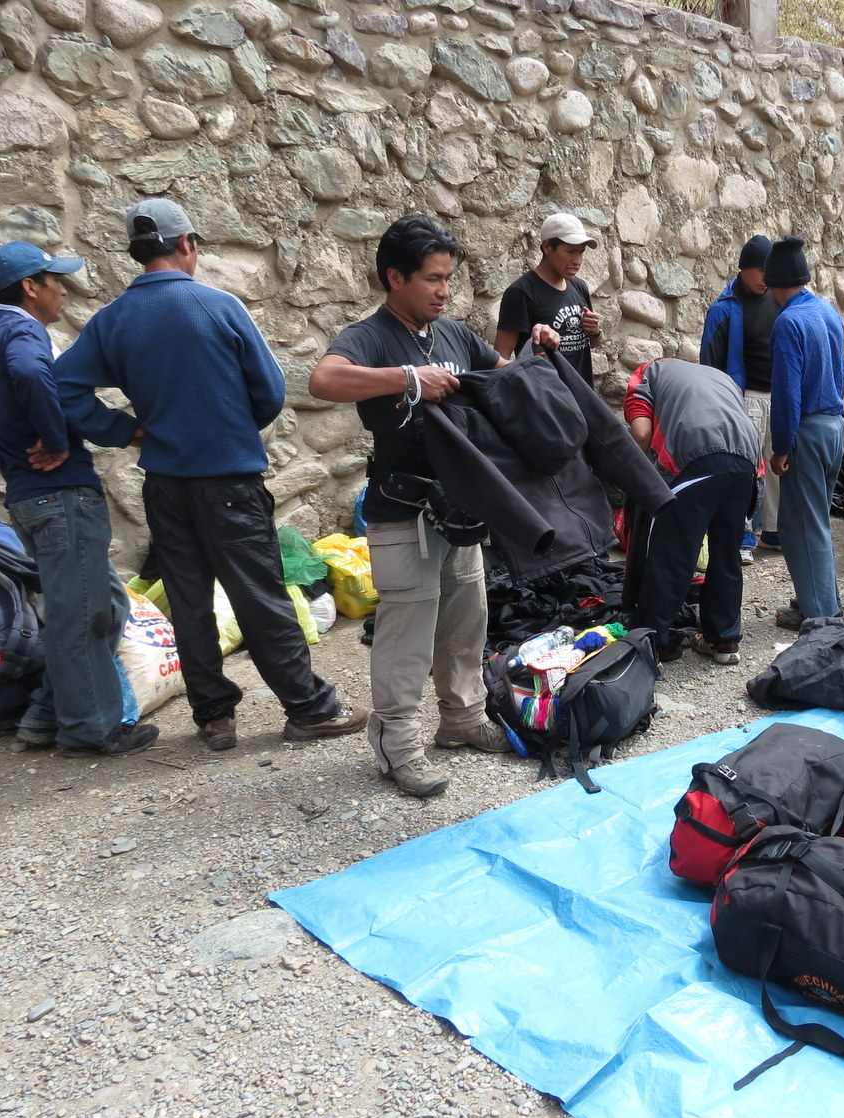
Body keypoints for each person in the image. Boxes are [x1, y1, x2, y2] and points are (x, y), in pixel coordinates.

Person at [55, 198, 366, 754]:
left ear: (136, 253)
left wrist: (125, 431)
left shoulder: (112, 320)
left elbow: (65, 388)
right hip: (228, 480)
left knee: (188, 599)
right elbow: (270, 392)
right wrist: (228, 430)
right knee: (260, 596)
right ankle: (309, 708)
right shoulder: (219, 306)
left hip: (164, 485)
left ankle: (214, 718)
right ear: (189, 245)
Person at [310, 215, 560, 798]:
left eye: (448, 277)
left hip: (461, 509)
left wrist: (534, 351)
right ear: (395, 277)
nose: (444, 290)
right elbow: (323, 381)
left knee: (465, 622)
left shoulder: (454, 335)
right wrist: (405, 378)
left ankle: (463, 719)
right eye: (432, 278)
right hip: (402, 513)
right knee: (407, 635)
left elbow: (505, 379)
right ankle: (397, 747)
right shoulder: (370, 337)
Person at [0, 242, 158, 757]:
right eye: (54, 281)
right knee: (81, 615)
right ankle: (93, 727)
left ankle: (47, 711)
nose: (62, 290)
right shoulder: (23, 330)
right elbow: (28, 371)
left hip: (32, 499)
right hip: (59, 494)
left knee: (106, 604)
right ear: (30, 287)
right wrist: (54, 436)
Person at [621, 358, 760, 665]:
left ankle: (650, 647)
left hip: (694, 458)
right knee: (727, 554)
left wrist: (630, 481)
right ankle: (723, 640)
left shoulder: (646, 374)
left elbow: (642, 435)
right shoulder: (719, 378)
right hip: (746, 462)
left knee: (671, 557)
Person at [764, 236, 844, 630]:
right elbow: (843, 373)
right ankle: (823, 600)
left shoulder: (788, 322)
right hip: (835, 425)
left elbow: (786, 393)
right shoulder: (827, 312)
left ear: (771, 280)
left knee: (799, 524)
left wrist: (782, 446)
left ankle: (821, 616)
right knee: (817, 520)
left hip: (808, 431)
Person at [700, 234, 777, 561]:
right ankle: (741, 536)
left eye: (768, 270)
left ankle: (773, 532)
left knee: (778, 467)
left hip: (779, 397)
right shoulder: (724, 309)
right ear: (743, 270)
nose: (764, 277)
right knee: (744, 469)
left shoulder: (780, 298)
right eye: (758, 270)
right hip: (743, 399)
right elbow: (709, 362)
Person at [494, 213, 602, 386]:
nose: (577, 260)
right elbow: (500, 359)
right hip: (547, 402)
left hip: (583, 397)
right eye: (570, 251)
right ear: (547, 247)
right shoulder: (521, 292)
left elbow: (592, 343)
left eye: (581, 252)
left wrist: (595, 331)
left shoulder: (579, 286)